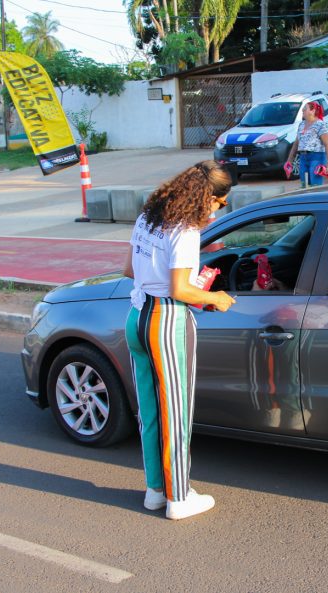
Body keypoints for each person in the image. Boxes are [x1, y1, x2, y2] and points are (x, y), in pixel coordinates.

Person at [123, 160, 236, 521]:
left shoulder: (149, 217)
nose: (219, 210)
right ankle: (180, 497)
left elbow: (129, 269)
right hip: (167, 320)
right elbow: (180, 288)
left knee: (151, 412)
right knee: (177, 412)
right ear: (206, 197)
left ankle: (156, 491)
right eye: (219, 203)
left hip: (136, 317)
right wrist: (215, 298)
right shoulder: (185, 231)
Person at [286, 101, 328, 188]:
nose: (302, 111)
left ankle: (317, 201)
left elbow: (327, 144)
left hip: (317, 157)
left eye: (305, 109)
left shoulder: (320, 124)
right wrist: (289, 161)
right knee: (305, 185)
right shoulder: (301, 124)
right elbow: (296, 144)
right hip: (303, 157)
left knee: (315, 185)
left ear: (313, 111)